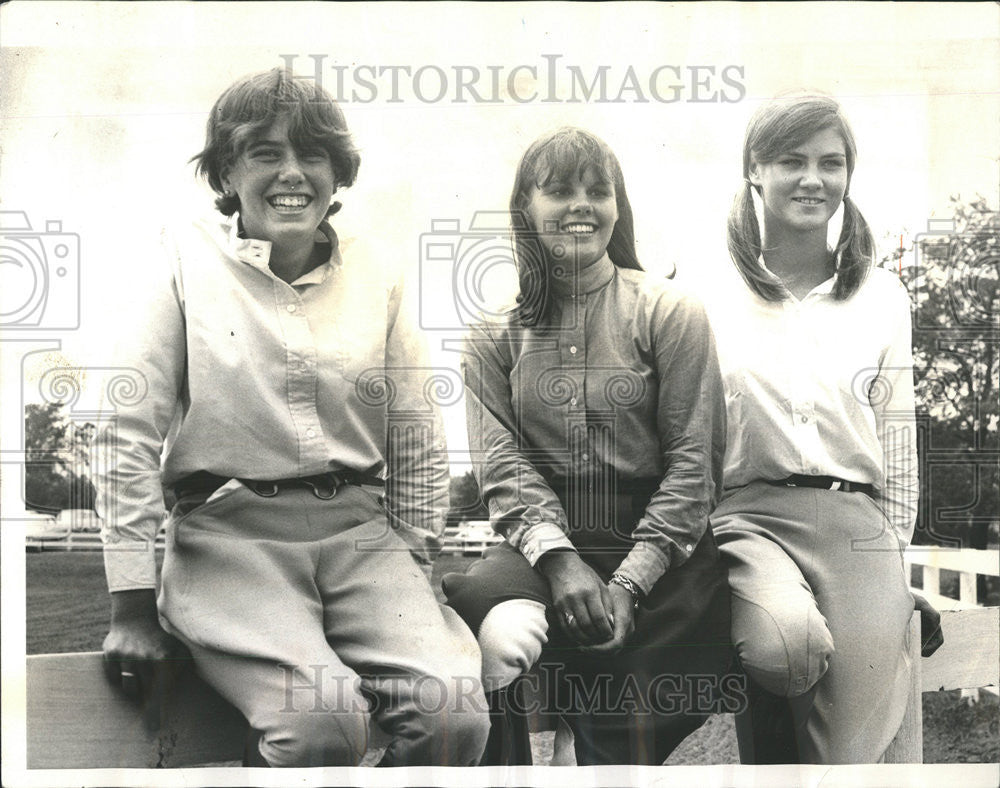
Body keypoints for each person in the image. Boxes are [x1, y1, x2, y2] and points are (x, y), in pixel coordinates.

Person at [94, 67, 489, 768]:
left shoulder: (381, 273)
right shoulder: (181, 258)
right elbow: (127, 433)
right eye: (265, 153)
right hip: (229, 540)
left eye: (312, 155)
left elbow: (419, 436)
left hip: (363, 536)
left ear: (339, 174)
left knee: (453, 716)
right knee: (322, 724)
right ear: (226, 170)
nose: (292, 174)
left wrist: (416, 557)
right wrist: (130, 604)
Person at [442, 127, 733, 765]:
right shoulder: (494, 331)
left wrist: (629, 583)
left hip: (661, 540)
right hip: (545, 535)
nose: (581, 205)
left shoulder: (669, 311)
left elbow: (694, 465)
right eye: (560, 191)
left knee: (622, 717)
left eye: (598, 191)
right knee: (484, 635)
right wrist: (560, 561)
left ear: (618, 209)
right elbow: (502, 466)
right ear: (525, 207)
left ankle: (587, 762)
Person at [707, 92, 920, 764]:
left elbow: (898, 444)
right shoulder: (704, 293)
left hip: (857, 525)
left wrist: (891, 564)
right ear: (754, 169)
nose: (813, 179)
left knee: (848, 755)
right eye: (791, 160)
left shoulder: (882, 299)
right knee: (782, 646)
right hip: (746, 521)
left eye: (831, 163)